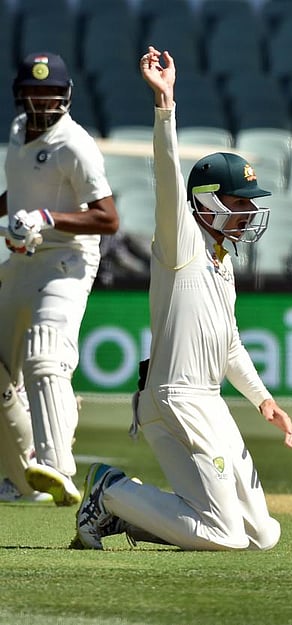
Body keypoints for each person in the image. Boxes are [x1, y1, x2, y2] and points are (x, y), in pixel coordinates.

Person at [70, 46, 292, 551]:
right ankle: (110, 491)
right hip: (174, 398)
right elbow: (169, 174)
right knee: (225, 535)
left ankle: (122, 512)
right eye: (238, 203)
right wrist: (165, 104)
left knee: (263, 535)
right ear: (208, 201)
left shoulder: (222, 262)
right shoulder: (181, 243)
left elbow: (230, 345)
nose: (246, 214)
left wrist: (263, 401)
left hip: (208, 399)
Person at [0, 52, 120, 505]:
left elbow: (108, 219)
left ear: (66, 97)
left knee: (45, 356)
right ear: (19, 95)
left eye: (50, 95)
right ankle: (19, 478)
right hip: (22, 259)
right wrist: (16, 215)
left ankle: (57, 466)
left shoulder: (75, 144)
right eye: (33, 93)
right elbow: (22, 192)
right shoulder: (16, 132)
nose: (41, 103)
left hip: (66, 261)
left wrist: (47, 218)